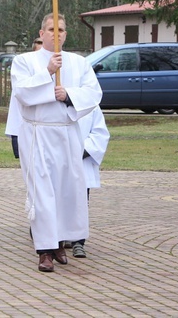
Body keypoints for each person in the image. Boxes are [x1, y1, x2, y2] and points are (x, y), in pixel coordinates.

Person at [10, 13, 102, 273]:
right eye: (51, 29)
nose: (56, 34)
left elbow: (94, 92)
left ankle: (60, 242)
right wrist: (48, 73)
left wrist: (69, 95)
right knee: (43, 191)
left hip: (67, 133)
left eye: (61, 30)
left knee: (66, 190)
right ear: (41, 33)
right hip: (38, 134)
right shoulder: (24, 61)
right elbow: (22, 93)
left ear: (66, 34)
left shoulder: (79, 62)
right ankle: (44, 250)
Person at [69, 107, 110, 258]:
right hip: (60, 160)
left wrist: (81, 150)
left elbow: (100, 133)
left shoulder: (91, 106)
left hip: (82, 162)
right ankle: (60, 237)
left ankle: (78, 241)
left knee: (80, 203)